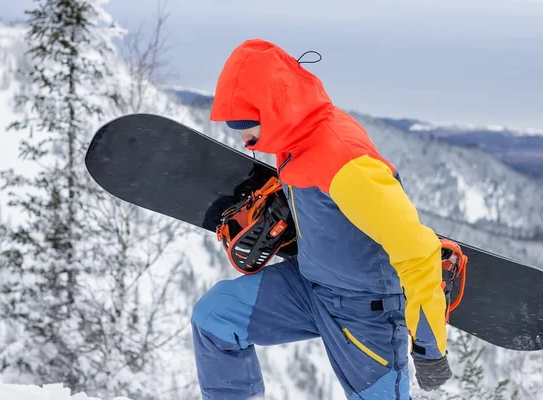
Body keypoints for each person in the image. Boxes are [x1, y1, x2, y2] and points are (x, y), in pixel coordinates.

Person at [191, 38, 453, 400]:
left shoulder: (348, 164)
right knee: (215, 317)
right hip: (309, 288)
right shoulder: (292, 137)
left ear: (274, 109)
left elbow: (418, 251)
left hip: (367, 313)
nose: (244, 137)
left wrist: (429, 348)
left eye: (248, 125)